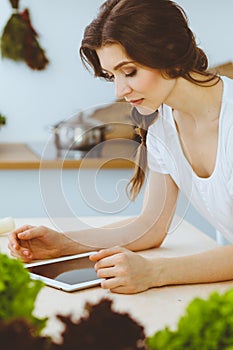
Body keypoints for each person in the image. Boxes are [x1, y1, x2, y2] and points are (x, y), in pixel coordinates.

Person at [8, 0, 233, 294]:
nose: (119, 91)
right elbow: (150, 227)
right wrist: (62, 244)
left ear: (170, 53)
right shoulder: (163, 124)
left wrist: (155, 272)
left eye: (129, 72)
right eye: (112, 76)